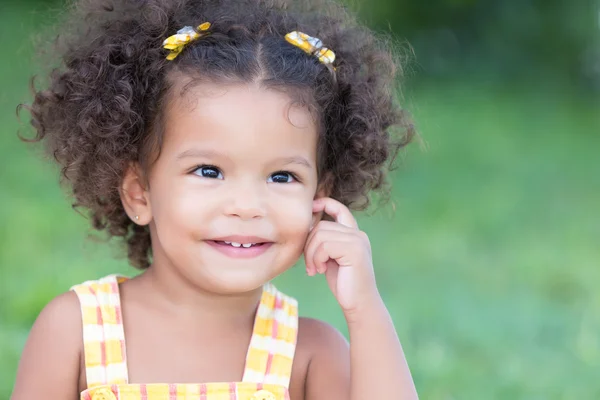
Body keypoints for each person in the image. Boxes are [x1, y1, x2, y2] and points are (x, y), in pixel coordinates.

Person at [12, 0, 417, 399]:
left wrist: (365, 312)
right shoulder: (76, 330)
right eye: (209, 171)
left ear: (319, 198)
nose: (246, 205)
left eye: (282, 176)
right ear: (140, 193)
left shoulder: (310, 353)